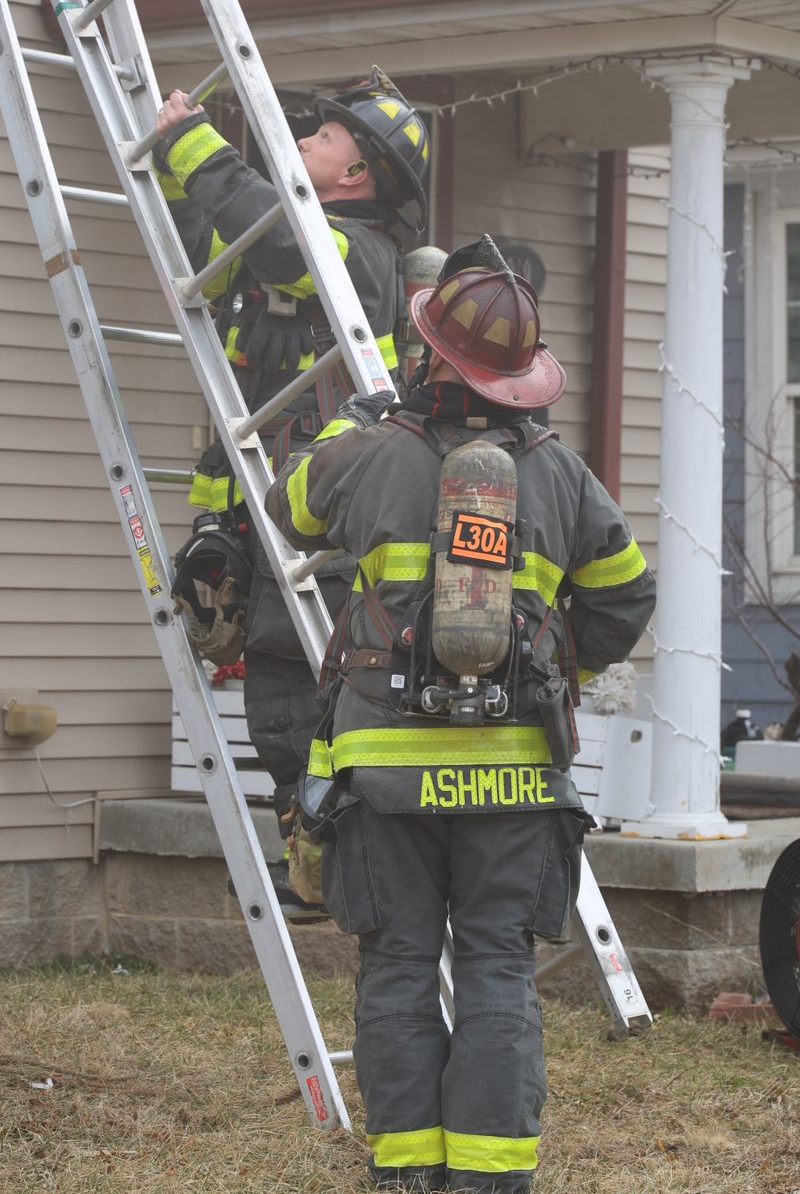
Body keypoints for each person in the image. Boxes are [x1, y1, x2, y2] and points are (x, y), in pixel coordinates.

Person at [265, 236, 656, 1194]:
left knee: (398, 966)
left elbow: (290, 508)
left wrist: (356, 423)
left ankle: (406, 1174)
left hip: (384, 775)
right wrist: (554, 665)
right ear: (523, 380)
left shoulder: (370, 455)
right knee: (495, 970)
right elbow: (625, 600)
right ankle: (488, 1178)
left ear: (432, 351)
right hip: (517, 773)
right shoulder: (561, 477)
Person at [153, 68, 430, 920]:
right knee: (277, 703)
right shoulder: (288, 241)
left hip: (325, 525)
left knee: (320, 696)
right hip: (257, 518)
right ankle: (313, 865)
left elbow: (274, 237)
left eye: (326, 137)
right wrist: (173, 162)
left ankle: (353, 864)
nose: (305, 138)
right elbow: (210, 237)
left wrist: (191, 143)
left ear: (358, 176)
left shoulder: (358, 257)